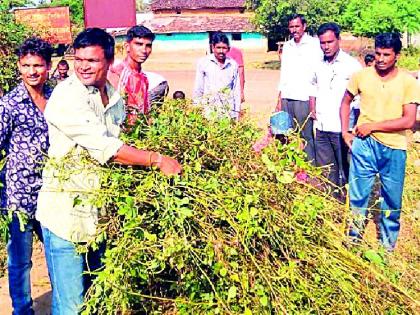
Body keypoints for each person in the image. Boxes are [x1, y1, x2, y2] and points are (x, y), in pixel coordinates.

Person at [36, 28, 181, 313]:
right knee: (71, 307)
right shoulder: (67, 97)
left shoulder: (113, 95)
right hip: (65, 218)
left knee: (97, 300)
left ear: (109, 61)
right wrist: (158, 160)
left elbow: (123, 139)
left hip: (98, 218)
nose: (83, 67)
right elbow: (108, 149)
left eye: (92, 61)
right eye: (79, 59)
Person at [340, 33, 420, 251]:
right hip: (364, 145)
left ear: (397, 56)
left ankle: (387, 247)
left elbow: (409, 120)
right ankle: (353, 240)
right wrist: (346, 133)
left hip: (394, 148)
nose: (381, 59)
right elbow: (345, 102)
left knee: (392, 200)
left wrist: (373, 125)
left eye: (387, 55)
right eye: (378, 54)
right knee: (357, 196)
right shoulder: (361, 76)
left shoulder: (408, 83)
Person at [0, 37, 53, 314]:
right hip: (18, 197)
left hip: (54, 193)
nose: (32, 71)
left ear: (49, 66)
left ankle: (63, 303)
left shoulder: (58, 98)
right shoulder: (9, 104)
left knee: (58, 255)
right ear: (19, 67)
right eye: (26, 65)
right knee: (20, 260)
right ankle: (22, 309)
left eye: (38, 65)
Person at [313, 23, 362, 192]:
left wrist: (351, 128)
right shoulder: (318, 64)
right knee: (326, 171)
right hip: (322, 127)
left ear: (339, 40)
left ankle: (347, 207)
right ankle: (330, 207)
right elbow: (313, 88)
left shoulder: (352, 66)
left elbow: (359, 99)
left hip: (343, 130)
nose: (326, 47)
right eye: (322, 43)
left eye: (330, 42)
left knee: (346, 171)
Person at [274, 14, 323, 164]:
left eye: (297, 26)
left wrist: (314, 102)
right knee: (286, 134)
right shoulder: (287, 46)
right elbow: (284, 74)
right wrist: (279, 100)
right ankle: (291, 167)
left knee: (305, 135)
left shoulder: (314, 45)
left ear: (304, 26)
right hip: (287, 96)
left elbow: (318, 74)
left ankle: (311, 169)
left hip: (304, 97)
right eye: (291, 27)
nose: (294, 30)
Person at [108, 25, 155, 125]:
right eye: (139, 44)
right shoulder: (118, 73)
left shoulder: (143, 77)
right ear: (127, 47)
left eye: (148, 45)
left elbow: (145, 111)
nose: (144, 50)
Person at [193, 32, 241, 120]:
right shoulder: (204, 63)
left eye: (224, 48)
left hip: (227, 111)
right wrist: (197, 108)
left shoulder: (233, 65)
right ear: (213, 47)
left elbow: (236, 90)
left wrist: (236, 112)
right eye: (218, 48)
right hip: (208, 110)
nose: (221, 51)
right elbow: (198, 88)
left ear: (228, 49)